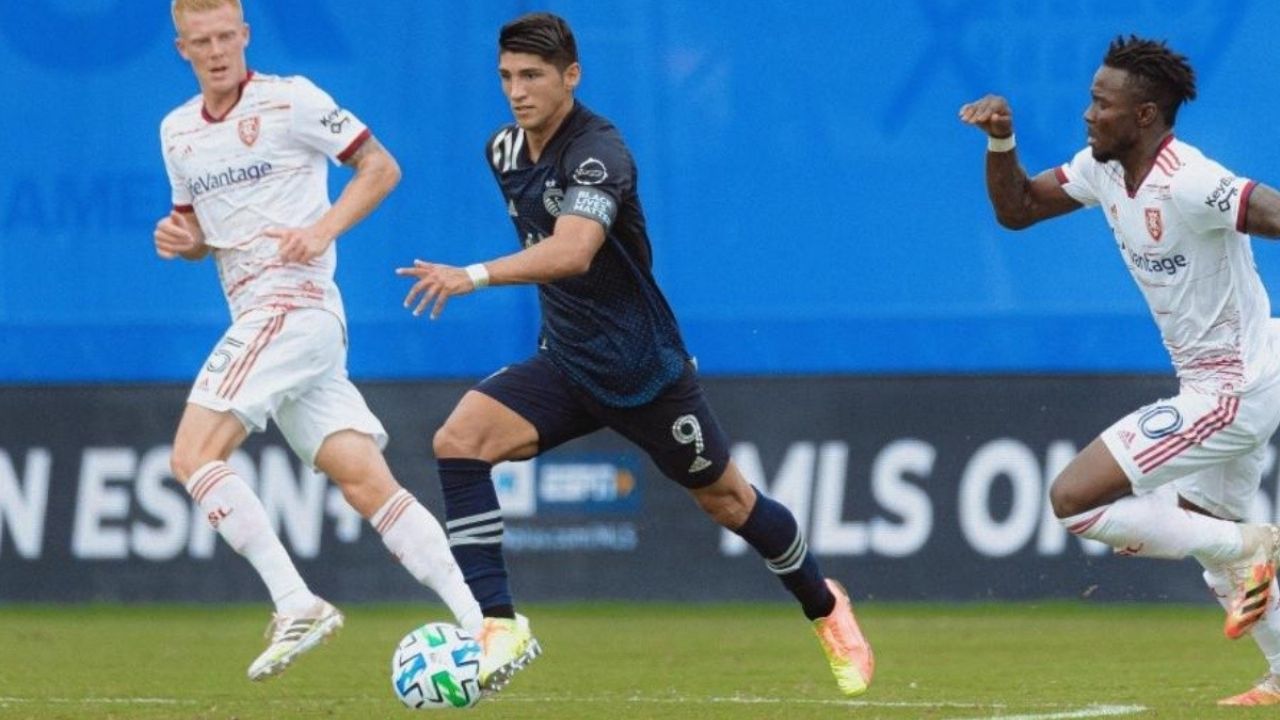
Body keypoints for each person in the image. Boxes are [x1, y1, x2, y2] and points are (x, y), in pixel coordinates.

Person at [394, 11, 874, 697]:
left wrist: (470, 275)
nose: (516, 90)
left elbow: (572, 250)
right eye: (506, 76)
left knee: (730, 502)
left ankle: (827, 608)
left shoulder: (600, 152)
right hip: (565, 362)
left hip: (642, 370)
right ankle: (498, 623)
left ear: (571, 76)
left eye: (532, 76)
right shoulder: (501, 151)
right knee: (459, 440)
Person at [156, 0, 482, 681]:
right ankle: (485, 625)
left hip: (294, 306)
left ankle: (295, 602)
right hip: (270, 322)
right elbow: (200, 237)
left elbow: (381, 168)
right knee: (363, 479)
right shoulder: (178, 133)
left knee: (191, 455)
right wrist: (184, 243)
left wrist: (323, 229)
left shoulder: (292, 101)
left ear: (245, 36)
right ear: (181, 47)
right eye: (201, 41)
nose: (217, 51)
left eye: (226, 37)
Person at [960, 34, 1280, 706]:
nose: (1087, 113)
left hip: (1232, 388)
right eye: (1090, 99)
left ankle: (1254, 542)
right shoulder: (1102, 170)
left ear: (1143, 116)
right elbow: (1017, 210)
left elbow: (1268, 210)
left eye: (1101, 104)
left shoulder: (1188, 178)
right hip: (1237, 372)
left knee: (1074, 502)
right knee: (1212, 551)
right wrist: (1001, 141)